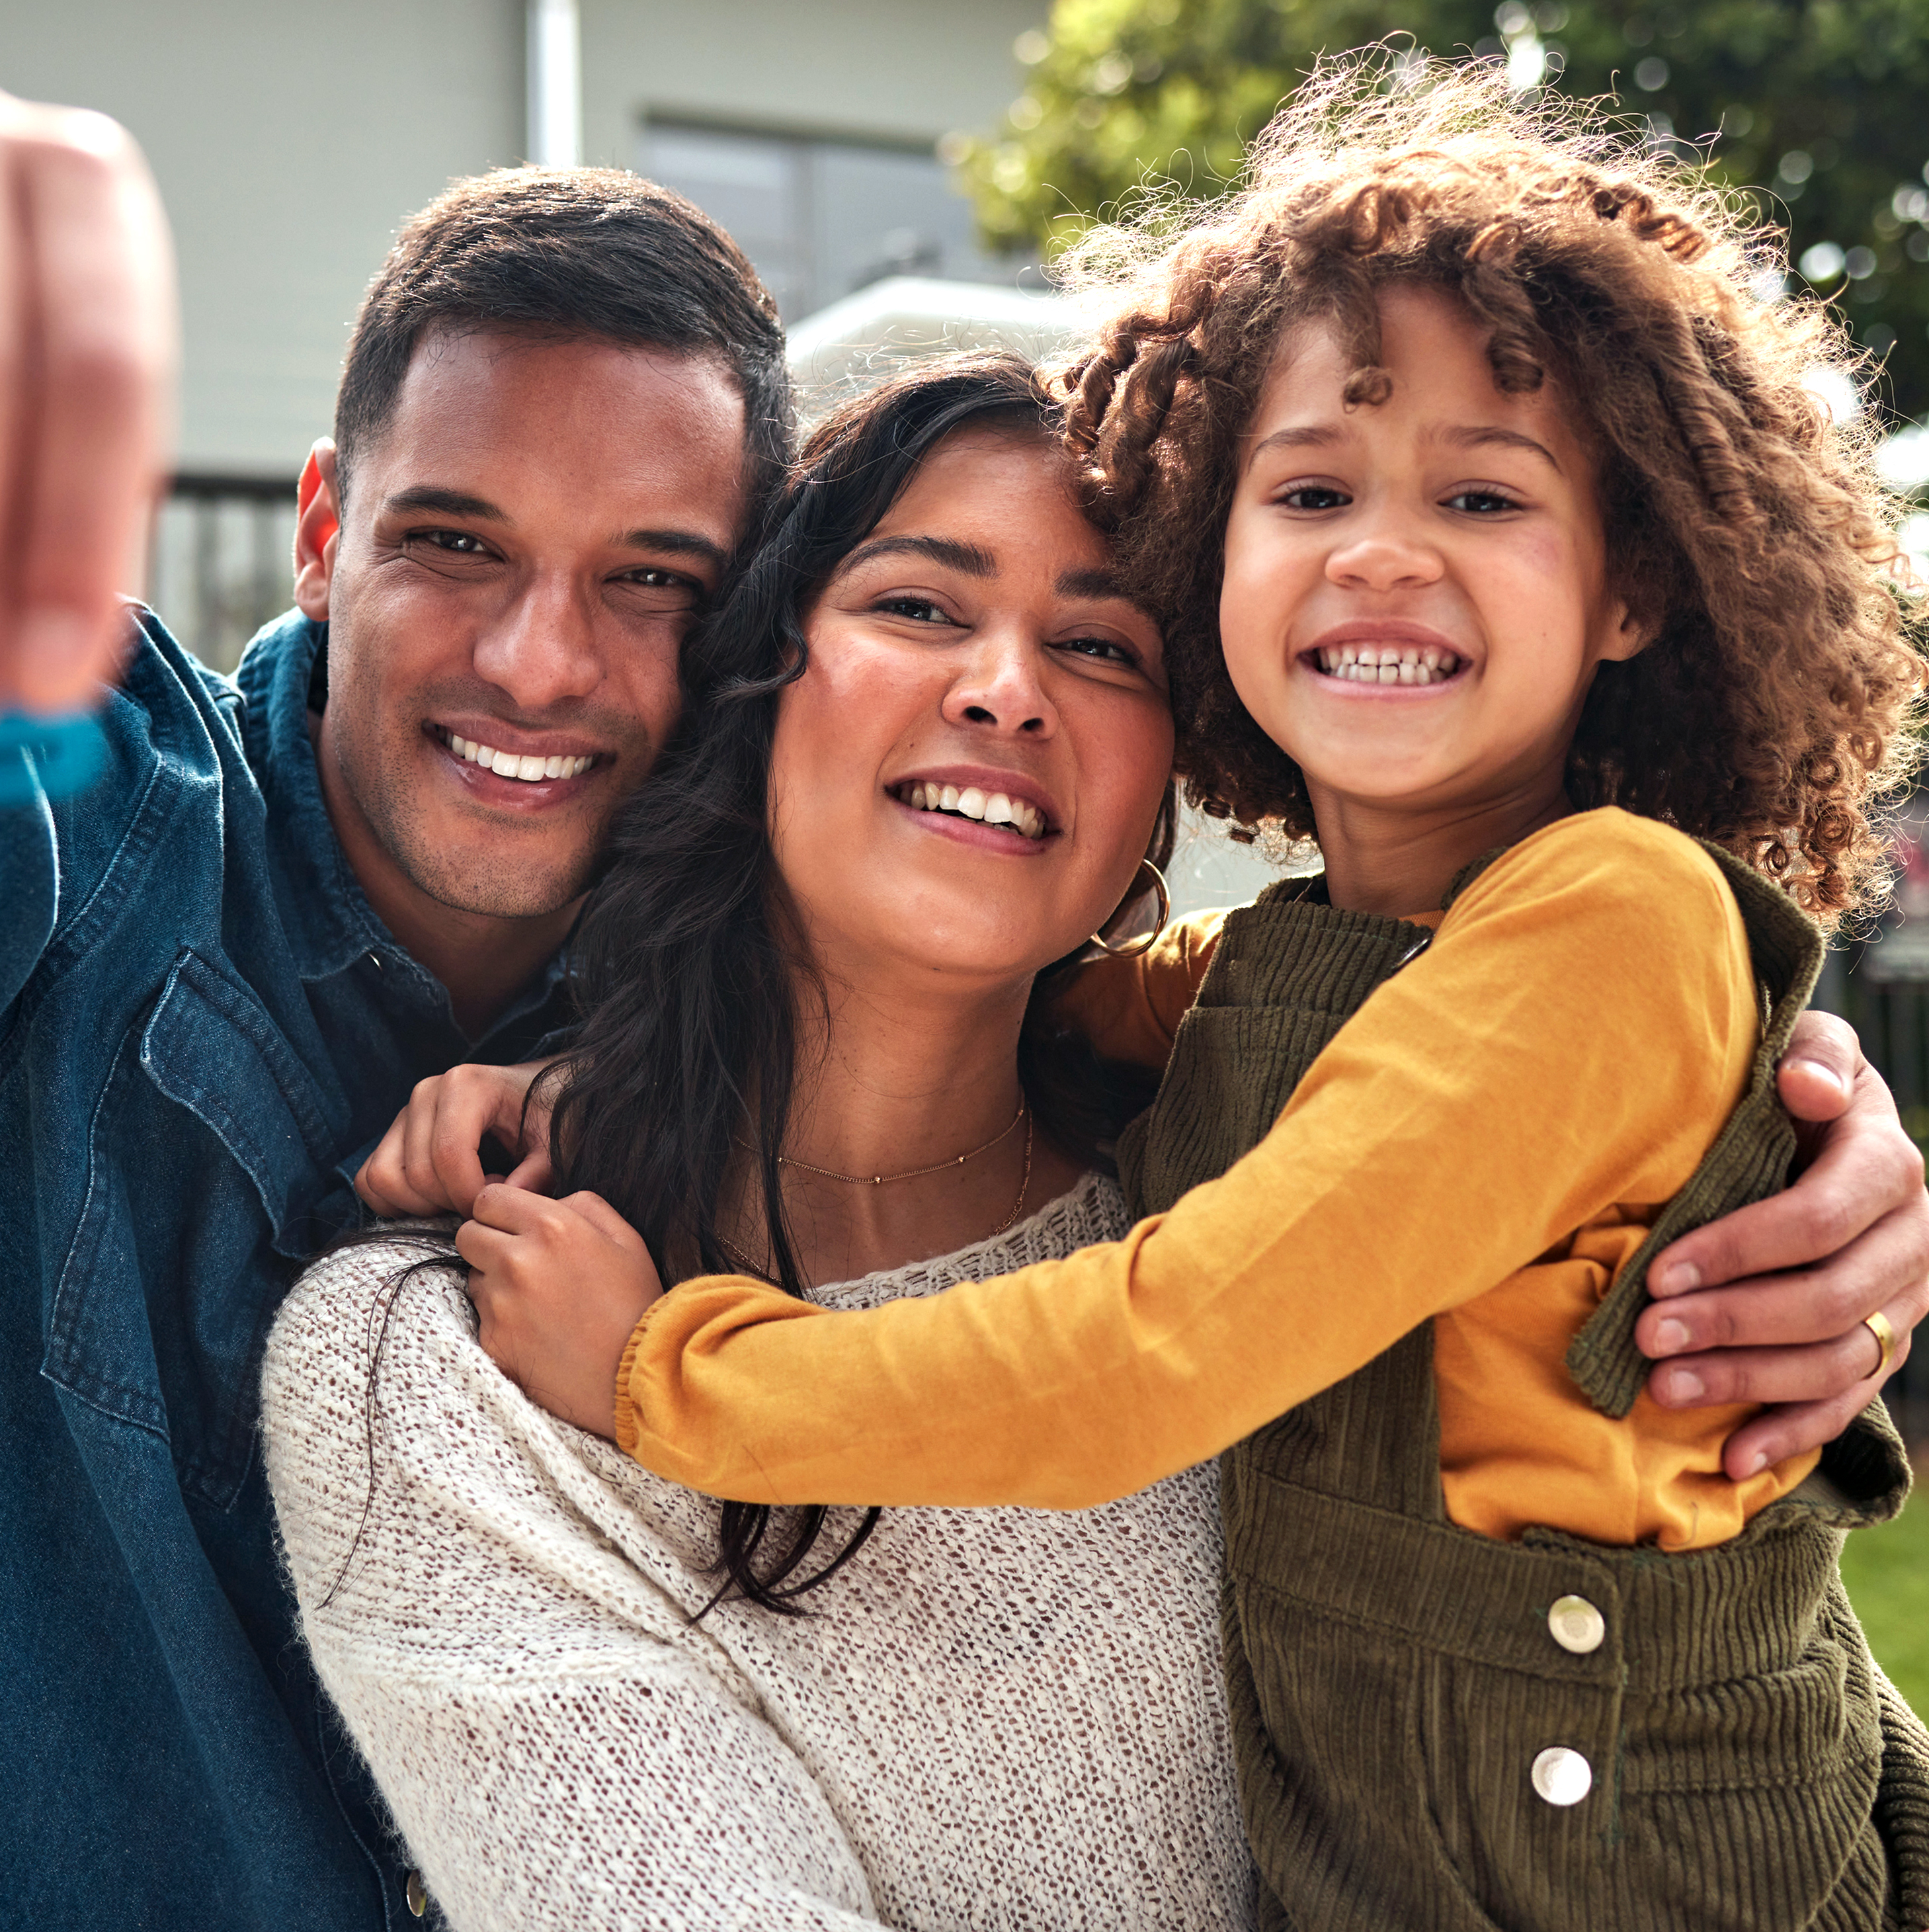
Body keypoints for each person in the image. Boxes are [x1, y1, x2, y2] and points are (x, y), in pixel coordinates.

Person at [0, 53, 1929, 1927]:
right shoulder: (156, 881)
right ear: (327, 527)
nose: (545, 655)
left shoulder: (1202, 1147)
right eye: (455, 543)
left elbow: (1594, 1605)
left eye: (652, 578)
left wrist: (1771, 1141)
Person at [444, 63, 1929, 1928]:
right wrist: (580, 1088)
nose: (1379, 550)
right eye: (1312, 486)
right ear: (1213, 562)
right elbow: (1051, 1011)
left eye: (1484, 494)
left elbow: (1157, 1353)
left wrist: (664, 1371)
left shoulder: (1615, 915)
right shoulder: (1310, 963)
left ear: (1635, 589)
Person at [267, 355, 1257, 1929]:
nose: (1009, 688)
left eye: (1098, 645)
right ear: (757, 687)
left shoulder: (1259, 1212)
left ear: (1163, 788)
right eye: (922, 608)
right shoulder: (439, 1375)